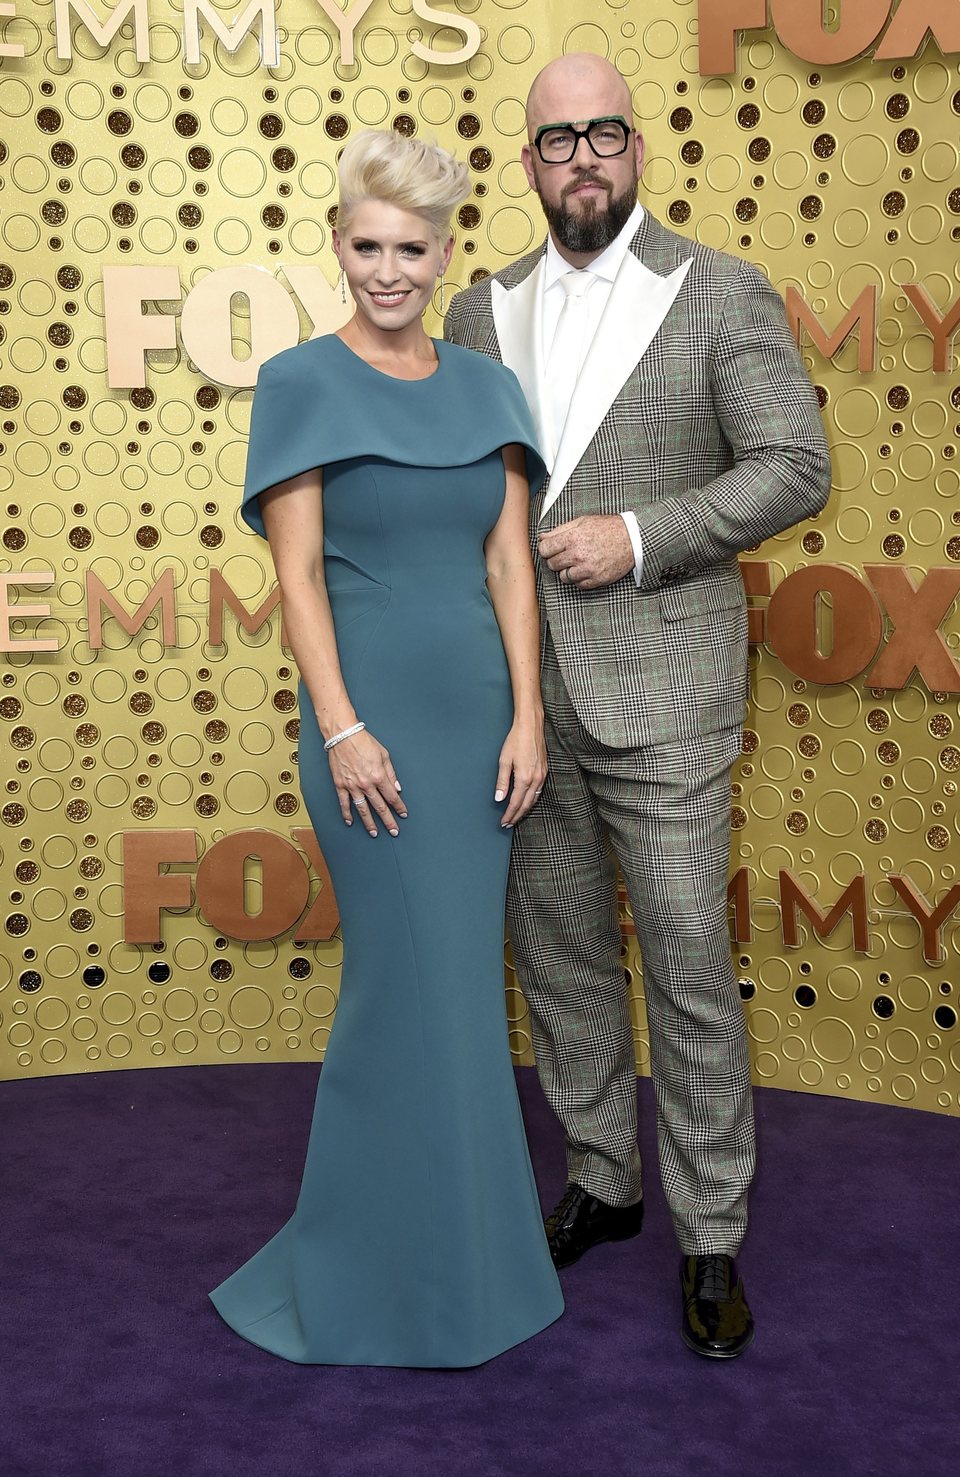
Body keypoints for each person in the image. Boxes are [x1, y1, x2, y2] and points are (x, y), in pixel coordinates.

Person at [445, 53, 832, 1359]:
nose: (584, 158)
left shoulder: (721, 291)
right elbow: (472, 497)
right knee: (556, 955)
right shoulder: (478, 308)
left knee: (683, 958)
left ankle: (711, 1224)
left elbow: (794, 465)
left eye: (605, 133)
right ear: (529, 160)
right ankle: (604, 1180)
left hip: (667, 686)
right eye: (559, 140)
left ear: (639, 148)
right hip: (520, 701)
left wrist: (642, 532)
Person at [209, 129, 563, 1367]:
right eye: (366, 245)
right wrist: (343, 726)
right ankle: (372, 1274)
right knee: (397, 993)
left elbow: (511, 563)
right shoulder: (303, 380)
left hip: (479, 724)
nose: (387, 270)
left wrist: (528, 713)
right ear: (339, 242)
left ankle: (469, 1265)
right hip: (368, 729)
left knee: (464, 996)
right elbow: (298, 579)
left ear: (444, 249)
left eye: (410, 248)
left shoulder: (487, 389)